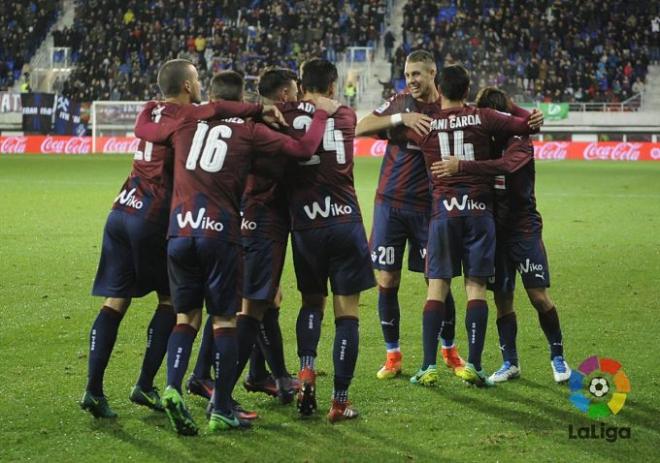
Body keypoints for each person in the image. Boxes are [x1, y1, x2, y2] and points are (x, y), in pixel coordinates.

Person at [135, 70, 338, 435]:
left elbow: (145, 131)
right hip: (220, 232)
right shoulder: (251, 131)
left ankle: (171, 387)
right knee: (227, 320)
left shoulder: (185, 120)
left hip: (179, 230)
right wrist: (319, 113)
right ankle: (222, 406)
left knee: (186, 318)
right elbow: (304, 150)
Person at [81, 59, 275, 419]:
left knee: (115, 302)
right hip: (154, 218)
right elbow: (218, 108)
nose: (201, 85)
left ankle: (93, 389)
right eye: (197, 79)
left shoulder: (152, 111)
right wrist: (260, 110)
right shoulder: (191, 118)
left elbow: (191, 115)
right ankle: (146, 383)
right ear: (187, 86)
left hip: (122, 208)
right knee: (175, 303)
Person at [405, 64, 538, 387]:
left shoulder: (424, 125)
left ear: (439, 86)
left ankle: (428, 366)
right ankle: (475, 365)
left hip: (443, 212)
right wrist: (528, 114)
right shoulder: (483, 116)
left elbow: (386, 133)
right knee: (475, 287)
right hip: (480, 210)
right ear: (467, 91)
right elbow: (526, 124)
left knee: (437, 286)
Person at [430, 87, 571, 384]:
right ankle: (510, 363)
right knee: (503, 299)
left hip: (524, 228)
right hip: (494, 228)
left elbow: (506, 167)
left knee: (538, 296)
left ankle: (558, 356)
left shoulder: (518, 140)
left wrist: (463, 166)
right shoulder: (482, 141)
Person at [355, 50, 464, 382]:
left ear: (433, 73)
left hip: (429, 208)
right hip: (390, 204)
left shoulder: (446, 108)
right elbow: (361, 127)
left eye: (418, 74)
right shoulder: (400, 103)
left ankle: (449, 349)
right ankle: (393, 355)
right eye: (407, 74)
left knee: (437, 281)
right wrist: (400, 119)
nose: (412, 80)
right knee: (387, 280)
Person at [281, 58, 376, 422]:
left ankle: (305, 371)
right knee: (347, 312)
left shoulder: (287, 115)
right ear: (334, 86)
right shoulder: (347, 115)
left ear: (302, 85)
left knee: (311, 303)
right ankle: (339, 401)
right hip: (344, 221)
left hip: (305, 224)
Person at [240, 68, 302, 403]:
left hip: (255, 214)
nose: (297, 96)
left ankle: (258, 374)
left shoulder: (253, 122)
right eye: (294, 91)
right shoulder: (269, 127)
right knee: (257, 301)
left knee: (268, 297)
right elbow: (302, 151)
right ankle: (279, 377)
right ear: (282, 95)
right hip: (261, 216)